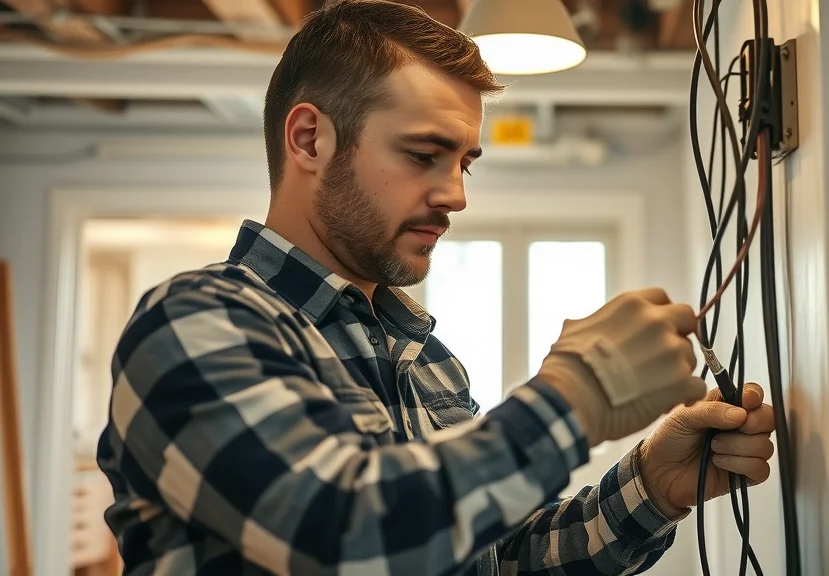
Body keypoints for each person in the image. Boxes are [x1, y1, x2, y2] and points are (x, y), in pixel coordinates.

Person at [96, 1, 777, 574]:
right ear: (309, 140)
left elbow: (495, 558)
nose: (453, 194)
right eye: (423, 155)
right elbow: (344, 536)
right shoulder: (195, 323)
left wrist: (654, 485)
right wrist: (581, 392)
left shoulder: (426, 361)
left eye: (464, 164)